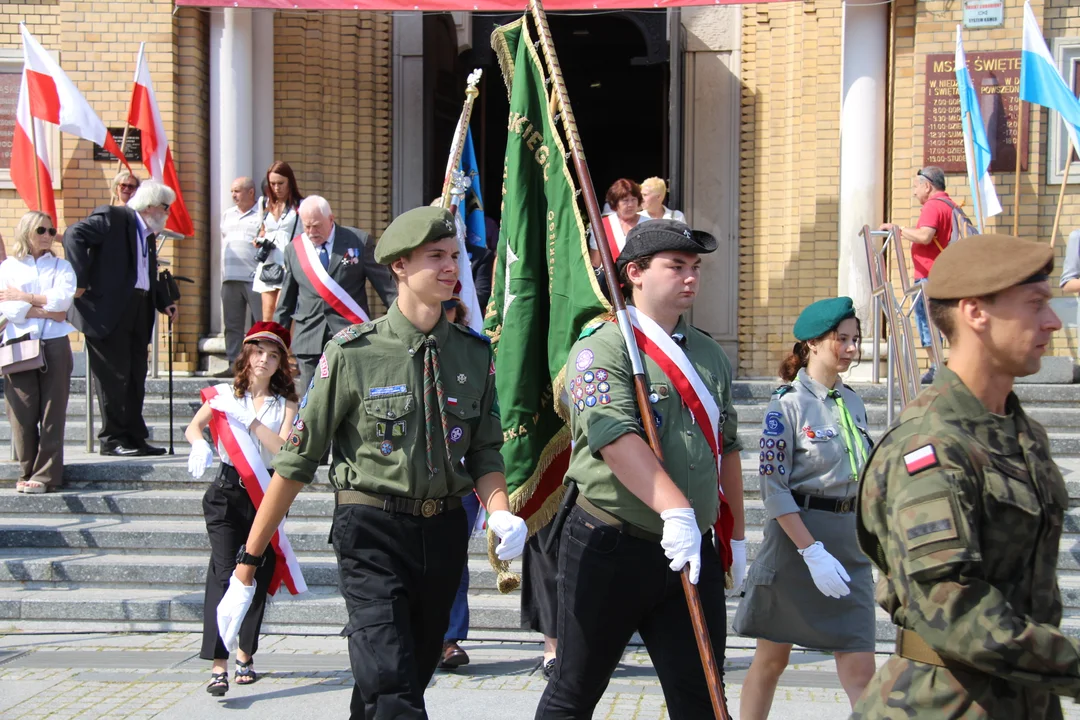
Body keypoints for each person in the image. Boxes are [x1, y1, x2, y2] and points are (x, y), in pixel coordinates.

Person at [216, 206, 528, 719]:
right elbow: (296, 460)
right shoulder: (352, 352)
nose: (452, 268)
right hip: (372, 531)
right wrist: (246, 568)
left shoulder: (474, 353)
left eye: (455, 256)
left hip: (443, 532)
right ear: (400, 267)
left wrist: (497, 509)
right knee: (391, 684)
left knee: (402, 678)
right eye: (436, 257)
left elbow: (484, 448)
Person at [854, 234, 1080, 718]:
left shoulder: (1022, 433)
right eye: (1036, 304)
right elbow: (952, 607)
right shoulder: (931, 445)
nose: (1053, 322)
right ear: (976, 313)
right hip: (943, 703)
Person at [535, 219, 746, 719]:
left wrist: (732, 531)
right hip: (611, 543)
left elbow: (729, 447)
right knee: (575, 690)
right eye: (676, 266)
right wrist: (674, 508)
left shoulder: (710, 355)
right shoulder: (601, 347)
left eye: (695, 267)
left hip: (689, 549)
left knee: (704, 697)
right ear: (634, 273)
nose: (691, 277)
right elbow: (613, 436)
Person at [733, 297, 876, 717]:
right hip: (799, 543)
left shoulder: (853, 401)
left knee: (861, 667)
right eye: (842, 339)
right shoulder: (787, 405)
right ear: (813, 343)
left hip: (849, 543)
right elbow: (773, 488)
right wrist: (811, 552)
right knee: (772, 660)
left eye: (856, 340)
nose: (851, 349)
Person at [185, 321, 298, 696]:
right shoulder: (223, 393)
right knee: (223, 573)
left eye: (272, 354)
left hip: (265, 493)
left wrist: (247, 420)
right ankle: (218, 664)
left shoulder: (287, 403)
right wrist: (199, 444)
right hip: (226, 492)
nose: (263, 360)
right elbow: (194, 427)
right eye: (258, 352)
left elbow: (283, 450)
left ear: (281, 361)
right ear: (246, 355)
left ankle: (245, 655)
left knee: (257, 575)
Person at [63, 179, 179, 457]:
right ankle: (113, 439)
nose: (167, 213)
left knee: (135, 375)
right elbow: (73, 235)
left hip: (138, 309)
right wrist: (79, 280)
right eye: (165, 207)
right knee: (113, 377)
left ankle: (134, 437)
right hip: (107, 312)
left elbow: (143, 273)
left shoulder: (148, 233)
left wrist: (164, 302)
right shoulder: (113, 217)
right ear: (151, 205)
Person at [274, 195, 396, 392]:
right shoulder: (294, 250)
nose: (311, 232)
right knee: (309, 404)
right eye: (306, 227)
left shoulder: (358, 241)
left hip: (350, 334)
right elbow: (285, 302)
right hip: (309, 337)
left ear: (331, 219)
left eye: (316, 226)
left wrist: (403, 318)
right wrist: (276, 340)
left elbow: (386, 288)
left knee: (351, 396)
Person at [0, 211, 76, 494]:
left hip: (55, 343)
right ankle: (27, 469)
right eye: (41, 230)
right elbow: (9, 309)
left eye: (50, 230)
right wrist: (44, 310)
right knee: (20, 411)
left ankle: (46, 477)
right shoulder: (8, 267)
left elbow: (63, 302)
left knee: (52, 411)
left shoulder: (61, 267)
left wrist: (26, 298)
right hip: (19, 342)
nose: (47, 235)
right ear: (26, 231)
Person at [879, 166, 959, 384]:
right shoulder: (950, 205)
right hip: (944, 274)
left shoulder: (933, 206)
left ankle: (937, 368)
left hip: (929, 275)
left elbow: (925, 236)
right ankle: (947, 366)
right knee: (943, 322)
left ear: (927, 185)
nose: (914, 192)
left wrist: (899, 229)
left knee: (927, 321)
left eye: (916, 186)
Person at [439, 294, 484, 669]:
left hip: (462, 476)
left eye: (449, 307)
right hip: (413, 477)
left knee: (452, 557)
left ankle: (449, 638)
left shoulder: (475, 354)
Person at [218, 177, 264, 377]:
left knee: (260, 323)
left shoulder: (262, 213)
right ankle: (234, 365)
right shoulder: (228, 215)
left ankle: (258, 363)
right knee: (232, 324)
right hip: (230, 278)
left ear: (251, 192)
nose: (234, 195)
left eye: (237, 191)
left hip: (254, 277)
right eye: (232, 192)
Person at [254, 161, 302, 322]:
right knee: (267, 314)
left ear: (290, 182)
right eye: (272, 183)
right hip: (269, 262)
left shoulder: (300, 205)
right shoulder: (264, 203)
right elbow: (262, 229)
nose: (276, 188)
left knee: (284, 314)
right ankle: (270, 347)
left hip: (289, 262)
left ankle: (287, 348)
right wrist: (258, 240)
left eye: (280, 183)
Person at [588, 178, 648, 267]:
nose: (630, 204)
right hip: (612, 279)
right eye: (625, 200)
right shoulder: (602, 226)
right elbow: (595, 263)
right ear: (615, 203)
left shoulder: (649, 224)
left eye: (633, 199)